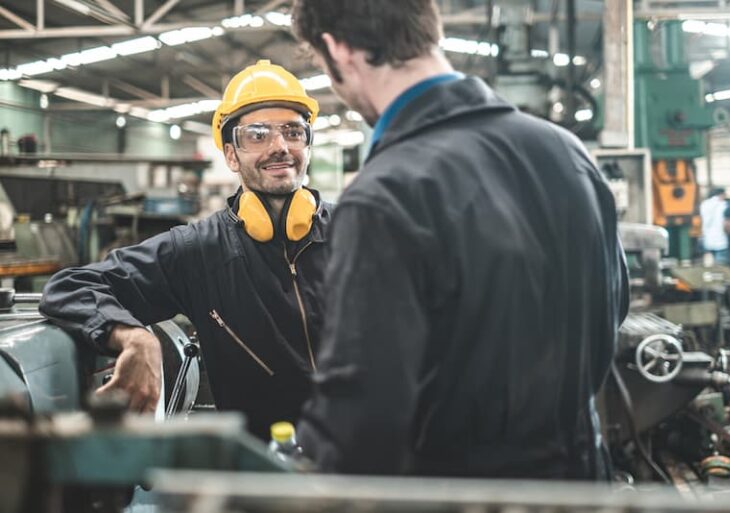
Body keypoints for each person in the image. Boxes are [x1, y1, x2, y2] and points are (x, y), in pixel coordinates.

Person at [291, 0, 629, 479]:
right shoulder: (566, 153)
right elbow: (611, 312)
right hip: (580, 482)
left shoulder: (385, 195)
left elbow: (364, 421)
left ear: (338, 49)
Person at [39, 60, 333, 439]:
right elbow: (70, 286)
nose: (280, 147)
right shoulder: (199, 252)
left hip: (365, 464)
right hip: (261, 474)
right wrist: (136, 336)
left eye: (293, 132)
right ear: (230, 155)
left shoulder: (358, 233)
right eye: (257, 134)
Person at [700, 187, 729, 265]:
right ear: (722, 194)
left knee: (710, 267)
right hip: (722, 241)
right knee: (720, 268)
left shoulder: (704, 204)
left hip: (708, 241)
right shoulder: (724, 205)